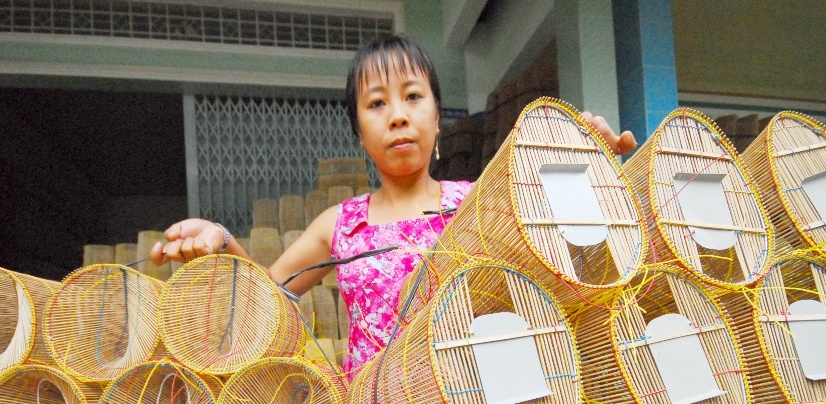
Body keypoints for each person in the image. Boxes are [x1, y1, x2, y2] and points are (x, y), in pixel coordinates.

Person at [150, 33, 636, 376]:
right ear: (360, 132)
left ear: (438, 118)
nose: (398, 116)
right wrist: (223, 241)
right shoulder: (340, 224)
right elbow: (268, 303)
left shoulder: (477, 202)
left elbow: (568, 263)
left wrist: (581, 168)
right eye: (377, 103)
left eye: (413, 97)